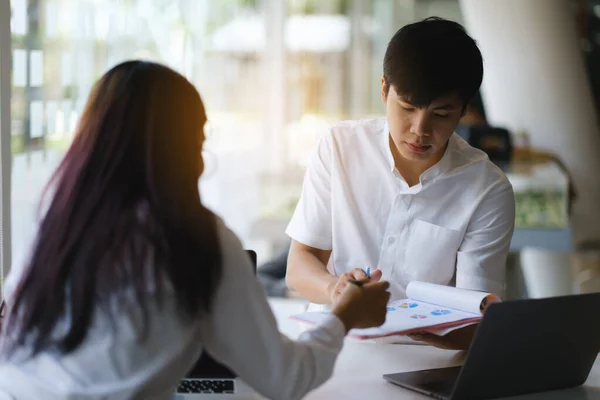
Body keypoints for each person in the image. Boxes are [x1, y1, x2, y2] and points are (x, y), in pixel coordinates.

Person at [0, 61, 391, 400]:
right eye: (199, 141)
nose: (203, 163)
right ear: (180, 148)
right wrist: (343, 315)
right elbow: (287, 380)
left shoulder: (56, 216)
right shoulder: (192, 238)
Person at [285, 17, 515, 350]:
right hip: (335, 347)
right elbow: (300, 264)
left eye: (441, 114)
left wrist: (416, 329)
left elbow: (476, 320)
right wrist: (336, 291)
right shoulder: (340, 146)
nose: (420, 130)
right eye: (407, 107)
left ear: (464, 111)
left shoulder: (486, 189)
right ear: (383, 90)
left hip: (426, 357)